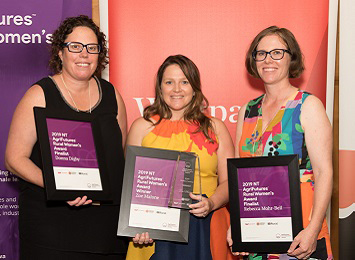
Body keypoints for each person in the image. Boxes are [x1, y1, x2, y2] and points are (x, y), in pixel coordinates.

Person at [5, 15, 128, 259]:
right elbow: (14, 159)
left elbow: (119, 157)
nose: (84, 54)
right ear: (60, 52)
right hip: (51, 229)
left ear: (99, 54)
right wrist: (59, 187)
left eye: (92, 48)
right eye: (75, 47)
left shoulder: (113, 95)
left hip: (105, 231)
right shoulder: (39, 95)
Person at [227, 26, 333, 259]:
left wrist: (313, 231)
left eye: (277, 52)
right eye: (261, 53)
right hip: (256, 235)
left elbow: (324, 172)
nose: (268, 60)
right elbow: (239, 179)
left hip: (301, 236)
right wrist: (236, 224)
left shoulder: (308, 106)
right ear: (253, 60)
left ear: (291, 57)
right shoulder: (247, 110)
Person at [125, 55, 235, 260]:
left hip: (206, 225)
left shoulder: (215, 128)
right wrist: (136, 224)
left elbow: (230, 181)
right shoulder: (141, 127)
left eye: (184, 82)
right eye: (169, 82)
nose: (176, 89)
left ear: (194, 87)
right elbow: (131, 187)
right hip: (154, 231)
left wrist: (211, 203)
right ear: (160, 88)